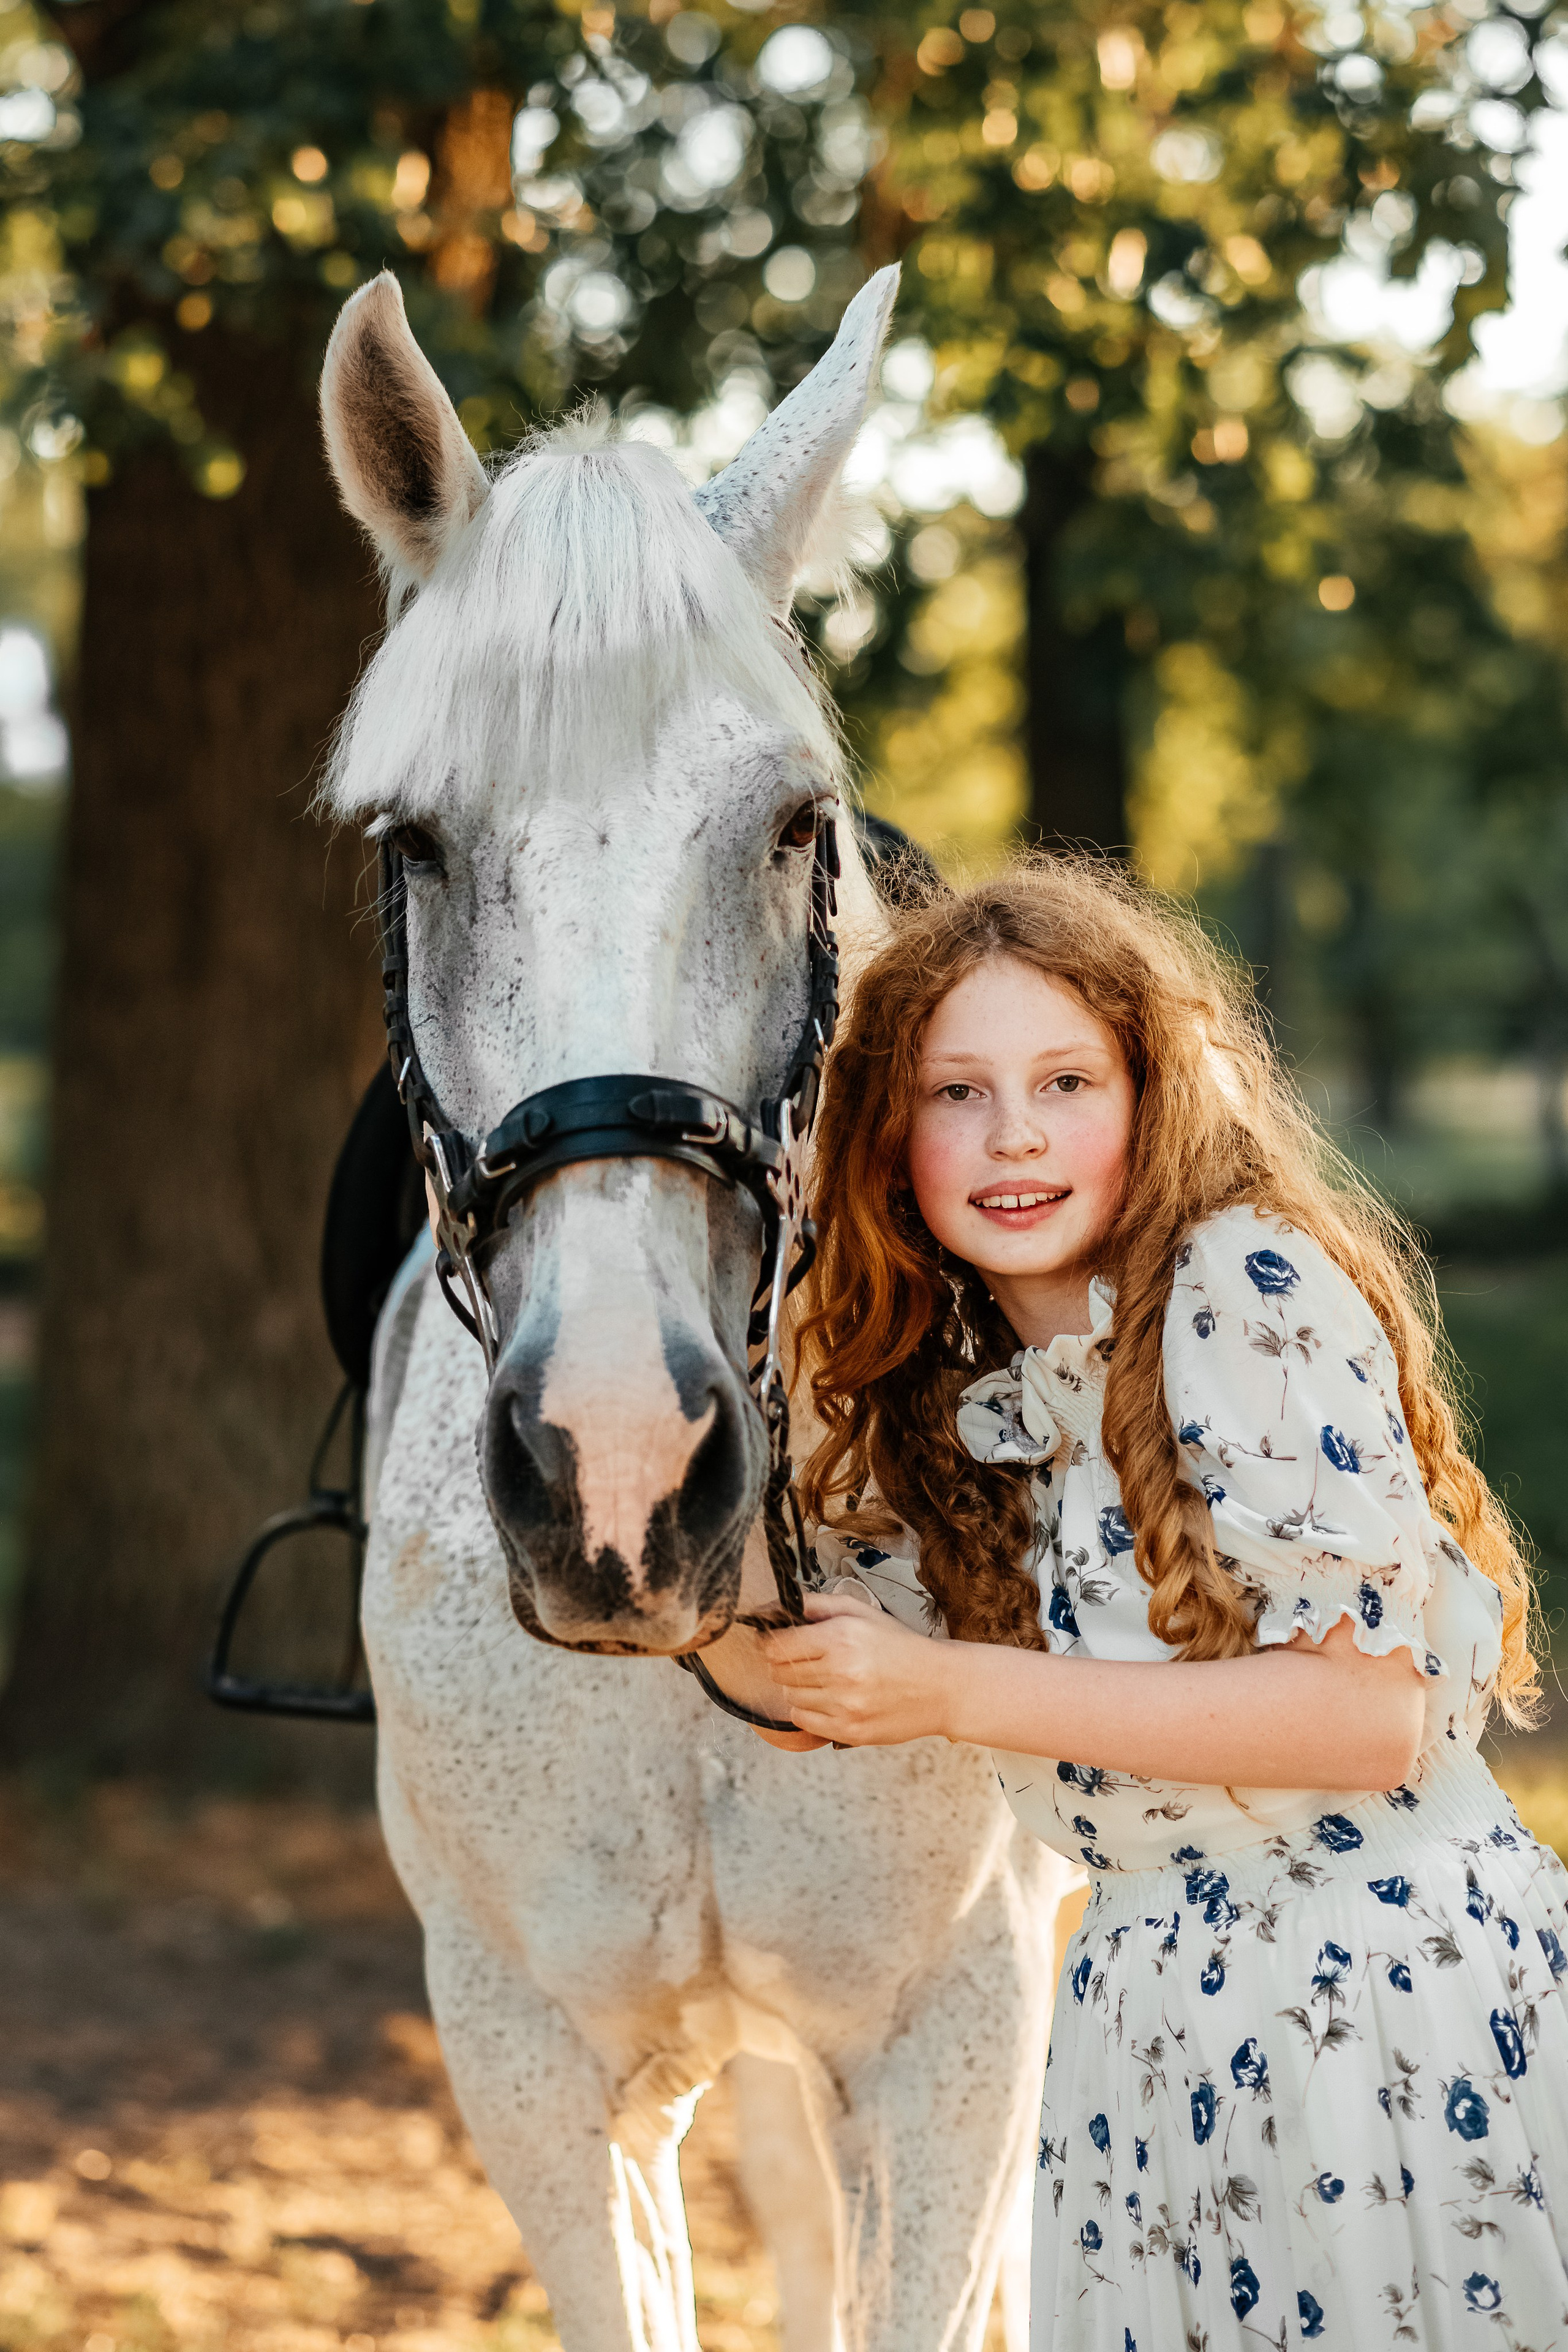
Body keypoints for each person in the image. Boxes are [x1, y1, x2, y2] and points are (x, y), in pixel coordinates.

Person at [763, 859, 1568, 2349]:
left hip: (1373, 2002)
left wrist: (946, 1690)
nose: (1012, 1135)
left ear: (1152, 1101)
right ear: (883, 1138)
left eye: (1065, 1082)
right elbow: (796, 1677)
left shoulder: (1236, 1283)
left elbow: (1363, 1718)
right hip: (1150, 2030)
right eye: (953, 1094)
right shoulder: (961, 1399)